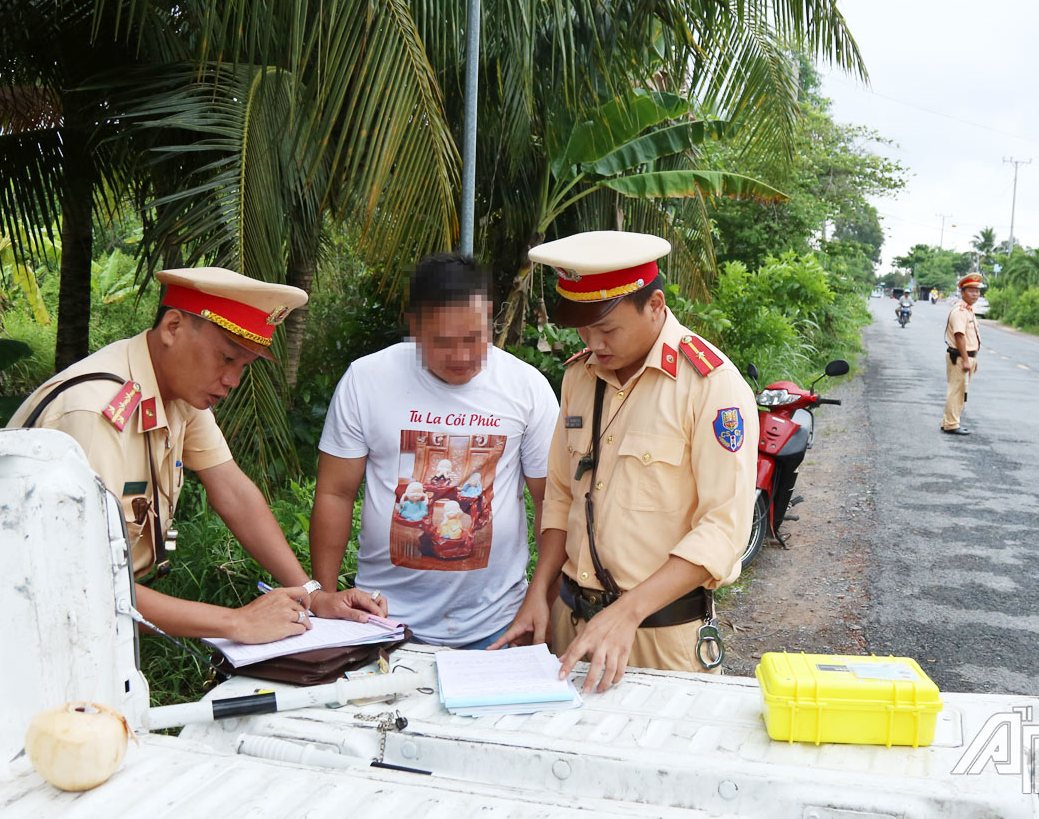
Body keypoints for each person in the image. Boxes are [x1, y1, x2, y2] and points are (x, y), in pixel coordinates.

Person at [9, 267, 385, 644]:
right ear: (173, 327)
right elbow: (83, 581)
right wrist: (238, 623)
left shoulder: (177, 394)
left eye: (244, 367)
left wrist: (312, 594)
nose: (233, 381)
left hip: (99, 616)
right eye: (226, 358)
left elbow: (233, 491)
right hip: (31, 623)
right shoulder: (96, 414)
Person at [491, 231, 757, 694]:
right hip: (569, 626)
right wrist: (540, 593)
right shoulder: (579, 375)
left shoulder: (710, 385)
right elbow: (559, 497)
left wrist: (627, 612)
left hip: (659, 637)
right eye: (583, 330)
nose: (593, 342)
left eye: (608, 329)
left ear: (654, 305)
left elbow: (722, 530)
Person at [310, 254, 559, 649]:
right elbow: (334, 494)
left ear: (490, 320)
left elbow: (552, 502)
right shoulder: (367, 379)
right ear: (415, 327)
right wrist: (321, 597)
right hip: (381, 622)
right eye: (442, 342)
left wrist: (541, 600)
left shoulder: (526, 388)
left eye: (474, 338)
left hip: (498, 624)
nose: (461, 356)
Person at [941, 273, 985, 436]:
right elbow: (960, 336)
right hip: (960, 357)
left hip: (966, 356)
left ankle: (948, 421)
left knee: (957, 390)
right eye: (971, 291)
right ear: (962, 292)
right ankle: (952, 424)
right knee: (957, 391)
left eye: (977, 291)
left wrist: (973, 358)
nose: (975, 294)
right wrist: (967, 359)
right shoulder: (960, 311)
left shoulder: (968, 310)